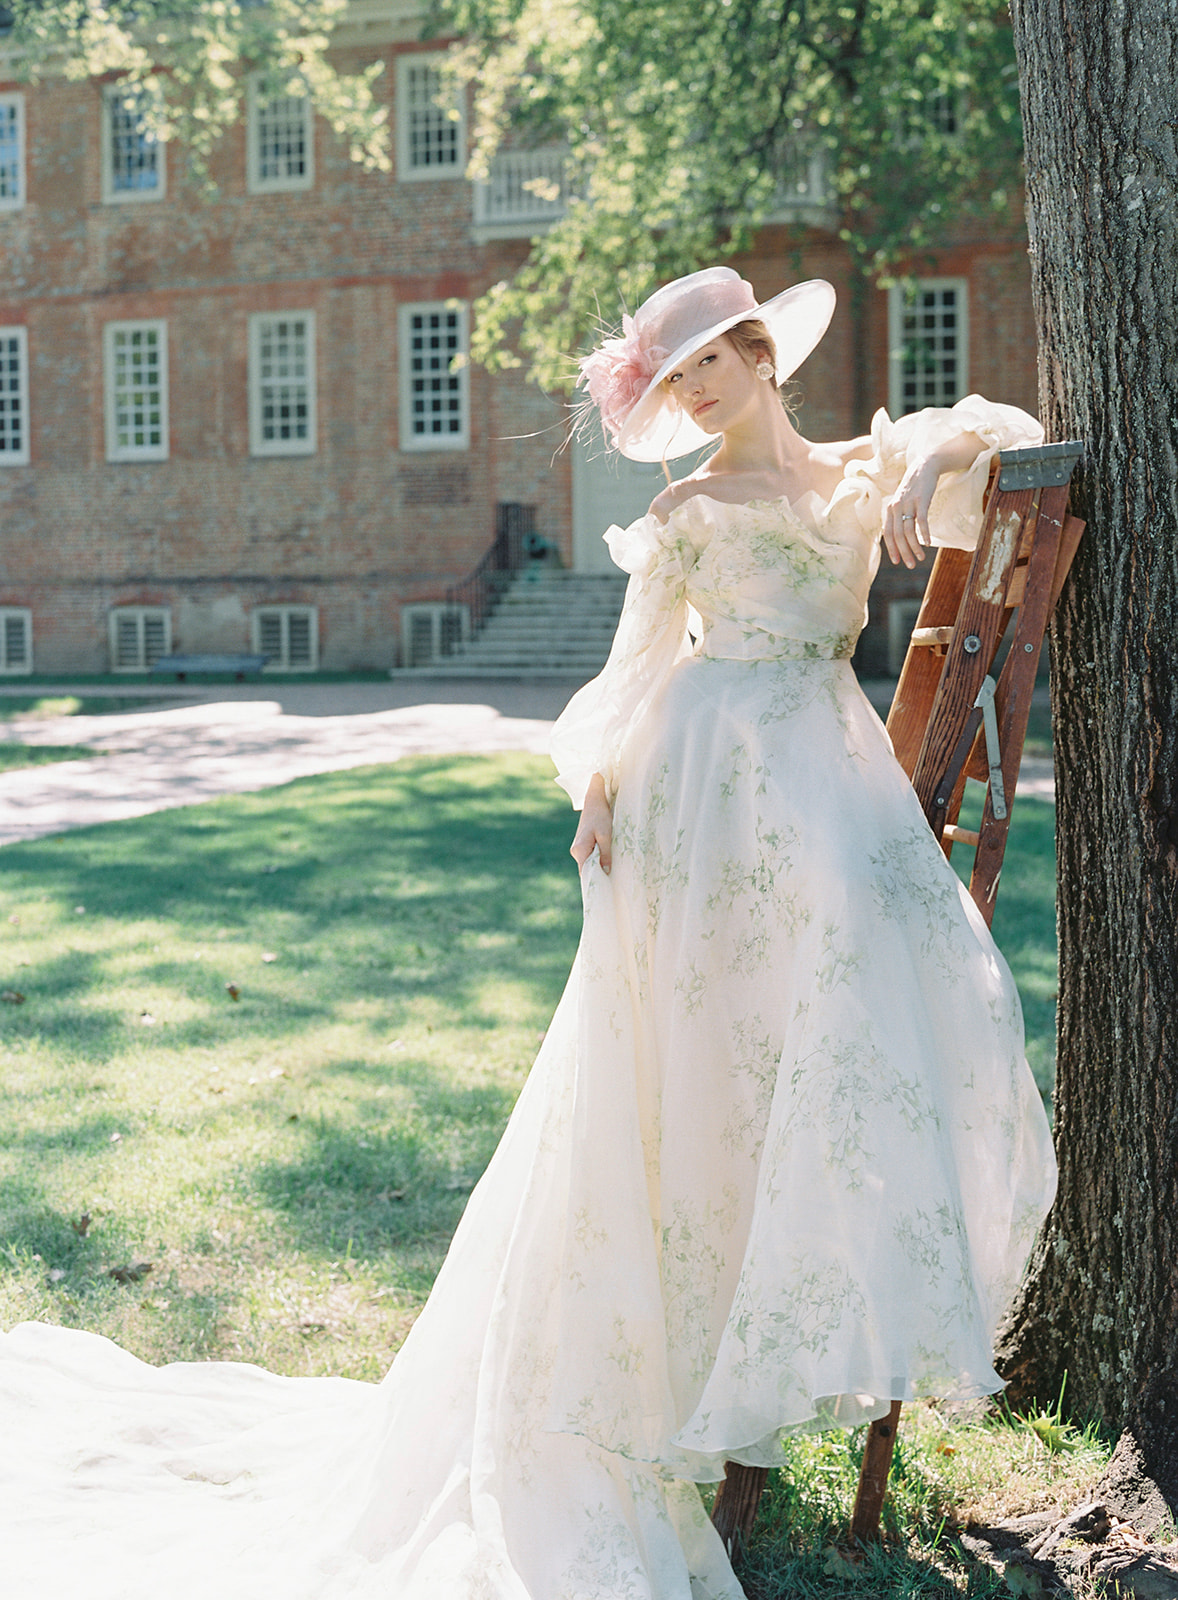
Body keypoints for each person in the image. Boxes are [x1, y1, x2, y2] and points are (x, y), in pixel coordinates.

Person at [0, 267, 1056, 1600]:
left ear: (757, 352)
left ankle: (786, 1327)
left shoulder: (861, 471)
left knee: (871, 1008)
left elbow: (1006, 431)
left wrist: (923, 470)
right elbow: (631, 674)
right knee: (689, 1069)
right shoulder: (680, 511)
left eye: (713, 362)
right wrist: (602, 790)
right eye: (676, 378)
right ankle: (673, 1366)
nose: (699, 389)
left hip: (821, 768)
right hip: (702, 787)